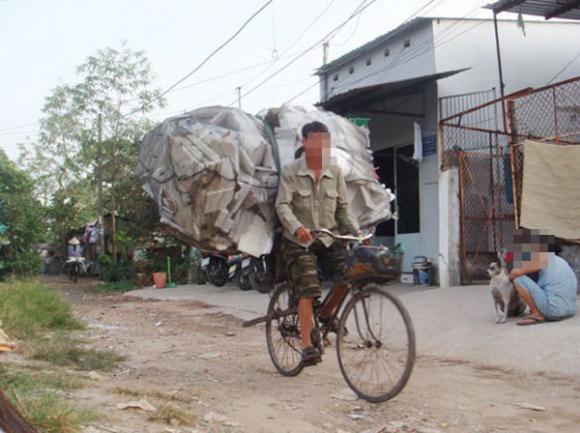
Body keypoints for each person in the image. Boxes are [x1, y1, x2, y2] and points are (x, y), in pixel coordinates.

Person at [275, 121, 359, 366]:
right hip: (298, 241)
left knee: (351, 273)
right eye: (315, 141)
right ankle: (306, 346)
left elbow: (342, 209)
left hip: (327, 237)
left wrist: (353, 231)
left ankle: (325, 314)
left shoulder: (335, 172)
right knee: (309, 287)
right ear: (304, 142)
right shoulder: (291, 172)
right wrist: (297, 228)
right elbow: (282, 205)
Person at [509, 229, 577, 326]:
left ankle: (536, 314)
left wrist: (509, 279)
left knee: (519, 279)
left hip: (554, 310)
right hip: (570, 309)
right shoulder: (560, 260)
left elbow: (515, 273)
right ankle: (542, 309)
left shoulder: (540, 258)